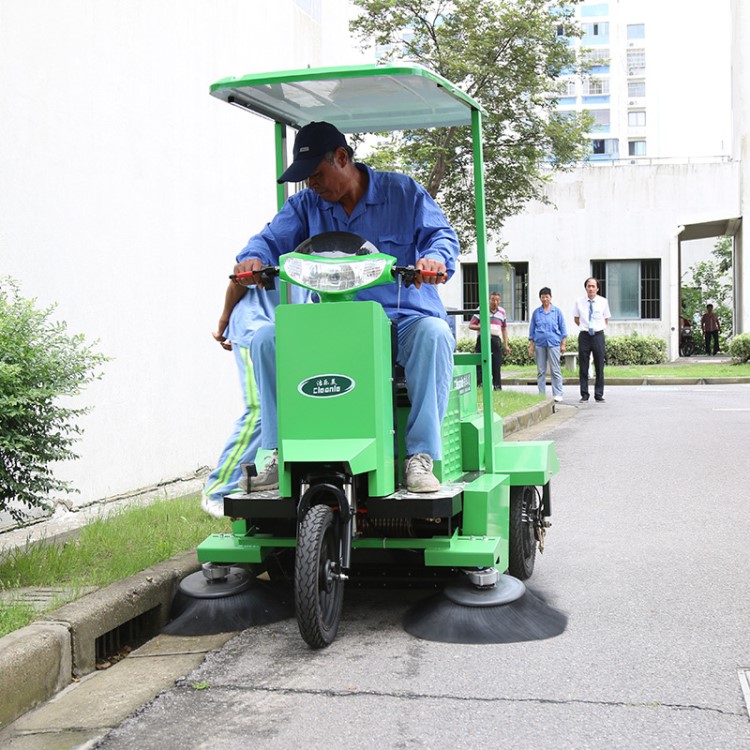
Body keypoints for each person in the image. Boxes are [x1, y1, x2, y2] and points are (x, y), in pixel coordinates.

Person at [233, 121, 459, 493]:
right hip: (335, 324)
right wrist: (252, 260)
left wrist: (434, 258)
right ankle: (276, 452)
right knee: (266, 340)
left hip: (400, 322)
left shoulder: (403, 192)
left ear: (342, 158)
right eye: (306, 179)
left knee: (434, 335)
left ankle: (420, 457)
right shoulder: (306, 205)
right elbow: (268, 240)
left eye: (317, 175)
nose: (312, 185)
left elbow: (441, 235)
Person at [201, 281, 307, 518]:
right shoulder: (270, 244)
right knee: (260, 410)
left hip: (287, 334)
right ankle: (217, 491)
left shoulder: (314, 247)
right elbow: (237, 281)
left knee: (290, 408)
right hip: (254, 330)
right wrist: (224, 323)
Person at [573, 277, 611, 403]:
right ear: (586, 288)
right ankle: (584, 394)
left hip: (598, 335)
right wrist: (586, 327)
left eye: (593, 286)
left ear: (597, 288)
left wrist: (596, 328)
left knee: (599, 365)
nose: (590, 288)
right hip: (584, 335)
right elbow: (577, 318)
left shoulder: (603, 302)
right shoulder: (579, 302)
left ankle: (599, 394)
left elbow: (606, 319)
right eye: (588, 286)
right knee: (583, 365)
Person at [528, 287, 567, 402]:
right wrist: (531, 345)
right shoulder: (536, 313)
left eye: (547, 296)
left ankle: (558, 393)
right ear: (540, 298)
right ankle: (541, 395)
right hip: (540, 344)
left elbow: (563, 329)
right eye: (543, 297)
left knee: (555, 369)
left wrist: (563, 344)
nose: (545, 299)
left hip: (554, 343)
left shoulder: (557, 312)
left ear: (551, 297)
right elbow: (532, 330)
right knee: (541, 371)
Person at [468, 291, 510, 390]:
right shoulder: (481, 309)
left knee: (496, 364)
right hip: (483, 339)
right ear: (489, 300)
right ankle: (480, 387)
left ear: (499, 301)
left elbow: (504, 329)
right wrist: (483, 327)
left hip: (496, 340)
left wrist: (506, 344)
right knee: (480, 364)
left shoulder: (502, 312)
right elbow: (471, 325)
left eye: (497, 300)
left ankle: (497, 387)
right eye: (493, 300)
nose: (495, 302)